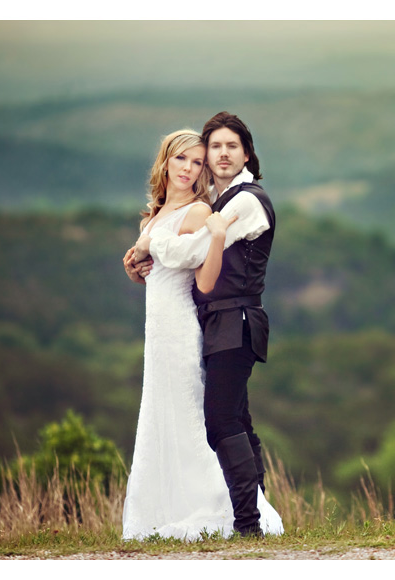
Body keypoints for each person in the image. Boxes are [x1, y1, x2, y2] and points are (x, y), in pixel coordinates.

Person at [121, 127, 282, 541]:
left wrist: (146, 245)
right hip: (188, 325)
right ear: (165, 162)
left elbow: (193, 256)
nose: (194, 167)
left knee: (218, 419)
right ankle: (243, 513)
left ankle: (247, 519)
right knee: (230, 418)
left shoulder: (240, 202)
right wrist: (141, 261)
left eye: (199, 159)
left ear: (247, 154)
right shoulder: (195, 208)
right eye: (195, 156)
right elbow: (172, 269)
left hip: (229, 321)